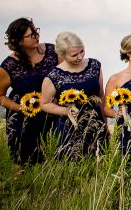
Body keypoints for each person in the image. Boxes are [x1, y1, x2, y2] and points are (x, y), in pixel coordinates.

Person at [0, 18, 58, 165]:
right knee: (23, 161)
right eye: (31, 35)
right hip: (23, 120)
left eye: (36, 32)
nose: (37, 36)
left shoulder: (53, 51)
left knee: (53, 158)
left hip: (53, 114)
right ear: (19, 41)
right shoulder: (9, 65)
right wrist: (21, 109)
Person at [39, 31, 111, 160]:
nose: (79, 57)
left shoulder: (94, 66)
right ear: (62, 54)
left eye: (82, 51)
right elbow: (44, 104)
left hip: (96, 124)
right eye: (74, 55)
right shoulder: (53, 75)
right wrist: (64, 110)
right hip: (68, 128)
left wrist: (105, 125)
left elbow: (101, 96)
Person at [104, 34, 131, 164]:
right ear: (129, 53)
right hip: (125, 127)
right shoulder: (116, 78)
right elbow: (106, 109)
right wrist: (117, 114)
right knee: (125, 163)